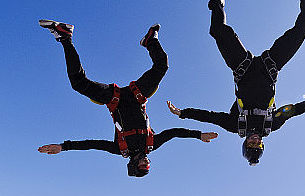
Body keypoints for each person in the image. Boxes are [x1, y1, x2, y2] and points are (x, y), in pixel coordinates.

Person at [167, 0, 305, 165]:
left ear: (245, 143)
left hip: (242, 67)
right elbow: (295, 110)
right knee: (302, 31)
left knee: (218, 31)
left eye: (252, 144)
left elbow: (211, 117)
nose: (256, 140)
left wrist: (184, 113)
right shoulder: (272, 123)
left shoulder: (234, 125)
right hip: (270, 66)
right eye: (258, 144)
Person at [37, 20, 217, 177]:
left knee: (78, 83)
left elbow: (92, 144)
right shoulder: (151, 144)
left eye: (142, 166)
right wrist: (198, 135)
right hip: (137, 94)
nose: (146, 162)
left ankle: (65, 37)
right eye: (148, 166)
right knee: (162, 66)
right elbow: (175, 133)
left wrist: (63, 146)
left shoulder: (120, 148)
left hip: (114, 99)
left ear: (132, 165)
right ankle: (151, 41)